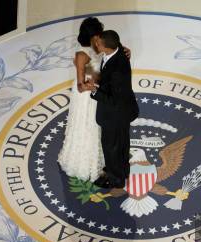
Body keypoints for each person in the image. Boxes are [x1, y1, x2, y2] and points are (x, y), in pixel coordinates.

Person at [57, 18, 132, 183]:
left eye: (100, 35)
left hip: (101, 93)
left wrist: (125, 52)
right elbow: (80, 86)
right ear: (91, 37)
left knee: (107, 130)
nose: (100, 39)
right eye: (97, 35)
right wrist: (98, 80)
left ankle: (113, 161)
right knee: (90, 128)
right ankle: (91, 163)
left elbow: (115, 52)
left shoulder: (102, 44)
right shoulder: (82, 54)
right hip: (88, 98)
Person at [89, 30, 139, 189]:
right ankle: (122, 170)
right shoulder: (120, 52)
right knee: (122, 142)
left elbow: (113, 100)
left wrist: (94, 91)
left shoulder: (117, 71)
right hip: (124, 111)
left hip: (114, 115)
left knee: (111, 146)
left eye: (99, 43)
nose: (97, 44)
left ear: (106, 47)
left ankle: (116, 179)